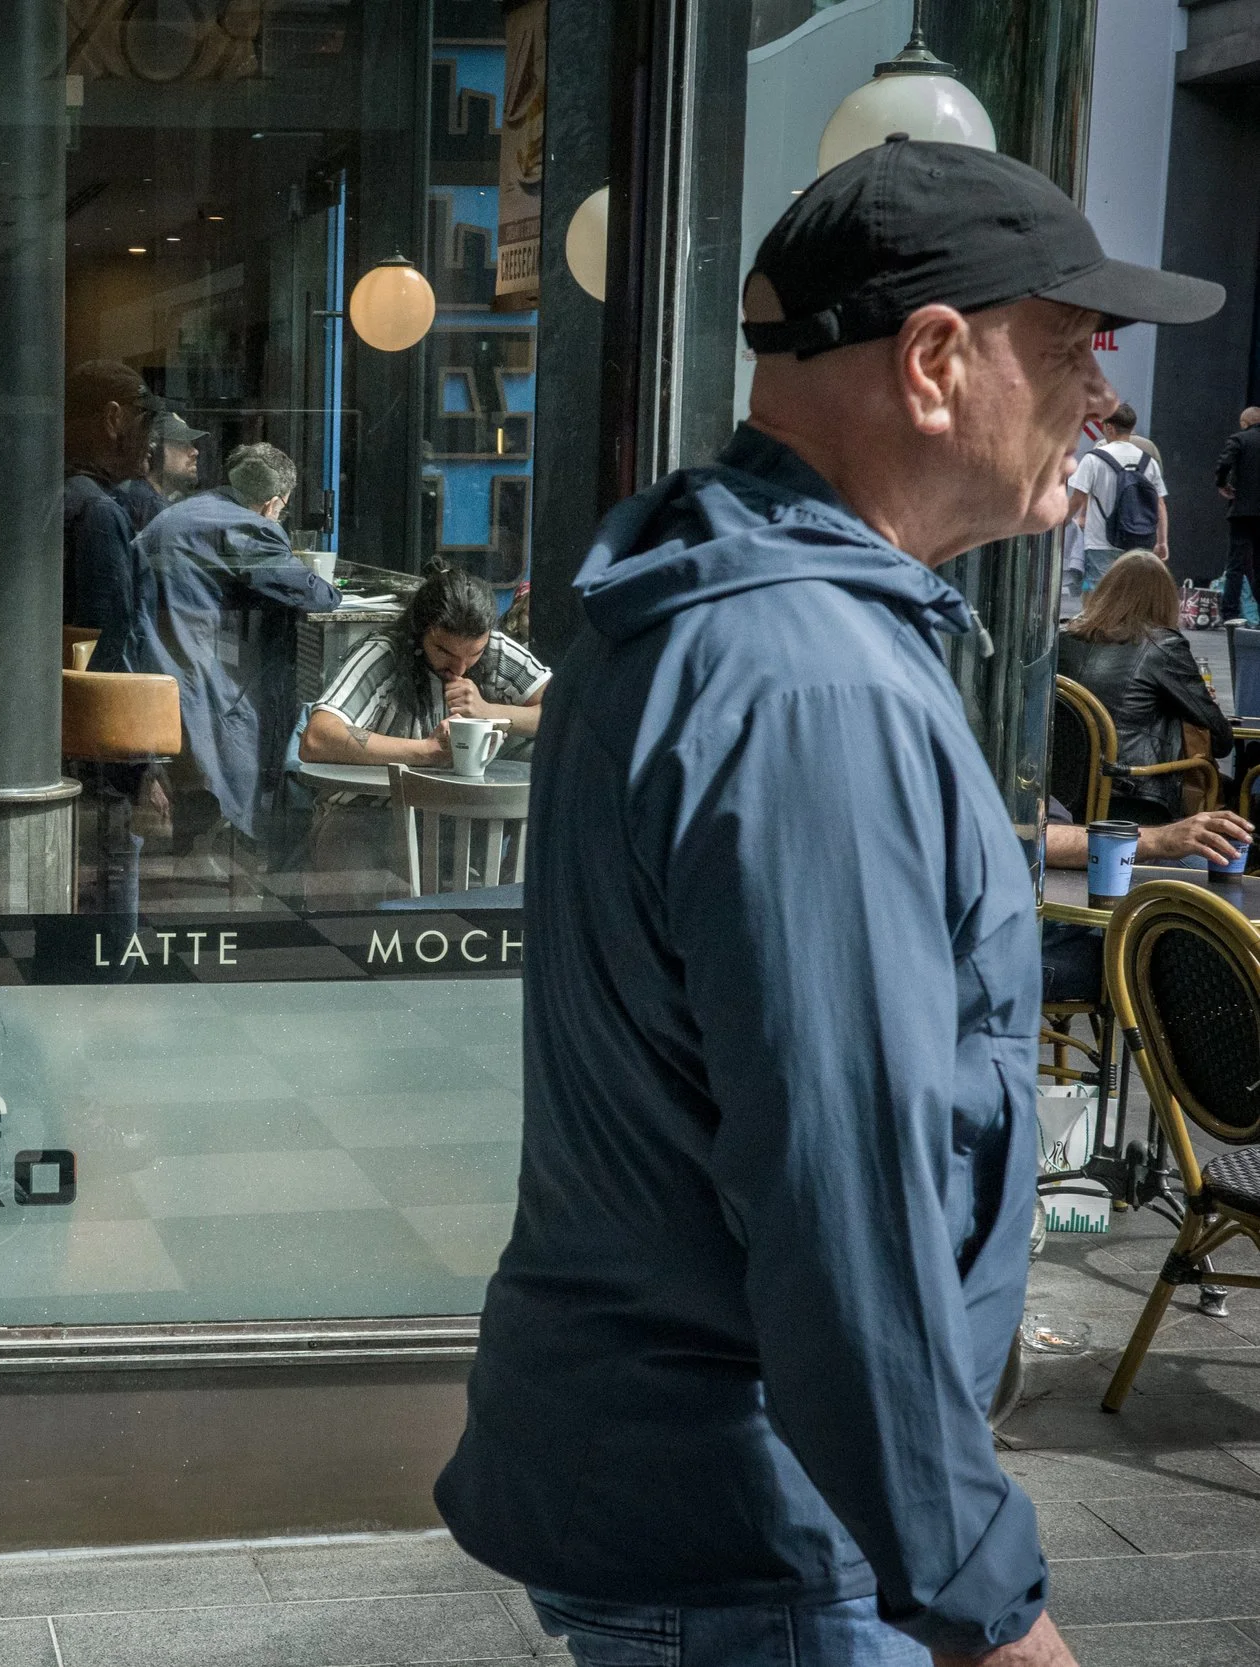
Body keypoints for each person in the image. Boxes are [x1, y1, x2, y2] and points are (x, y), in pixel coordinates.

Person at [434, 136, 1221, 1667]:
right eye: (1069, 355)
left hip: (699, 1496)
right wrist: (988, 1604)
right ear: (934, 359)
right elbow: (839, 1189)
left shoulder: (706, 595)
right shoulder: (806, 676)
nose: (1101, 407)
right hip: (763, 1535)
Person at [124, 441, 340, 845]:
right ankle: (231, 838)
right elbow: (315, 595)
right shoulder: (248, 525)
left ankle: (206, 831)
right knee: (246, 731)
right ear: (274, 502)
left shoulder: (195, 507)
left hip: (147, 651)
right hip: (182, 664)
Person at [299, 564, 547, 772]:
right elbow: (318, 737)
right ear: (420, 631)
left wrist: (488, 711)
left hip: (462, 813)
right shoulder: (385, 654)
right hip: (371, 808)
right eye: (444, 651)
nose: (460, 668)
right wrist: (427, 751)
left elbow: (562, 712)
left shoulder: (496, 649)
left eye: (474, 654)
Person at [1058, 549, 1235, 822]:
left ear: (1107, 589)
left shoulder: (1063, 636)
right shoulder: (1162, 646)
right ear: (1165, 599)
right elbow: (1221, 740)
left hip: (1061, 792)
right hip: (1132, 793)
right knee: (1233, 792)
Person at [1038, 797, 1250, 1003]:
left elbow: (1049, 827)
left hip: (1050, 915)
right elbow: (1030, 838)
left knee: (1199, 862)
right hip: (1023, 944)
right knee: (1186, 960)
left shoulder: (1021, 774)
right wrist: (1160, 839)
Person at [62, 360, 156, 645]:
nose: (151, 441)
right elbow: (106, 647)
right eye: (145, 420)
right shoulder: (98, 512)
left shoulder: (58, 493)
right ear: (113, 419)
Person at [1068, 401, 1168, 588]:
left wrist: (1061, 526)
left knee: (1101, 595)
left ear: (1109, 427)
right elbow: (1160, 504)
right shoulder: (1149, 462)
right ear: (1132, 427)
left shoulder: (1093, 458)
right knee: (1132, 595)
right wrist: (1162, 541)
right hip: (1139, 541)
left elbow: (1077, 500)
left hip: (1100, 541)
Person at [116, 411, 207, 531]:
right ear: (153, 451)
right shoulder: (148, 504)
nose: (194, 451)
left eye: (190, 443)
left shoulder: (141, 494)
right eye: (181, 443)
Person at [1217, 406, 1260, 619]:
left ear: (1245, 423)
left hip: (1242, 510)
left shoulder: (1240, 439)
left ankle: (1230, 613)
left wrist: (1222, 484)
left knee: (1236, 563)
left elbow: (1224, 463)